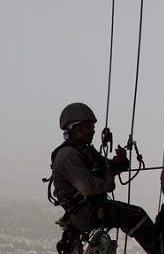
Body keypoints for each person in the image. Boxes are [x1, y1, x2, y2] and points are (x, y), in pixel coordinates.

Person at [48, 102, 151, 240]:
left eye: (93, 127)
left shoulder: (84, 151)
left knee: (135, 215)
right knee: (137, 217)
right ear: (75, 128)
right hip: (85, 213)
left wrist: (121, 161)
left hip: (90, 208)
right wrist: (109, 180)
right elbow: (88, 187)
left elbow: (105, 165)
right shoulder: (68, 155)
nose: (92, 131)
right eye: (88, 127)